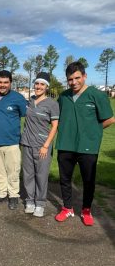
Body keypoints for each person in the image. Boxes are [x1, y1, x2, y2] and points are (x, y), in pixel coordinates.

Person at [55, 61, 115, 226]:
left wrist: (93, 130)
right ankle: (67, 208)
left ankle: (86, 210)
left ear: (84, 76)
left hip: (87, 146)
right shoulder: (64, 96)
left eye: (77, 78)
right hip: (66, 144)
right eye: (70, 79)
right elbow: (57, 118)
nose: (74, 82)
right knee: (65, 179)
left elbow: (110, 118)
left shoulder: (96, 95)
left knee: (88, 180)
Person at [0, 70, 27, 210]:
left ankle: (13, 195)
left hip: (12, 142)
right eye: (0, 82)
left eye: (6, 82)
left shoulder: (18, 98)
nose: (3, 85)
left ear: (10, 83)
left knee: (13, 170)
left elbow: (26, 116)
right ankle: (1, 194)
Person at [20, 72, 59, 217]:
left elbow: (55, 126)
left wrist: (46, 145)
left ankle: (40, 203)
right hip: (27, 144)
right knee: (28, 174)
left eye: (42, 84)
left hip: (42, 146)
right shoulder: (30, 101)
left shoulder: (52, 104)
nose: (38, 86)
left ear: (47, 87)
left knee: (41, 175)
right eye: (37, 83)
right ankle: (30, 201)